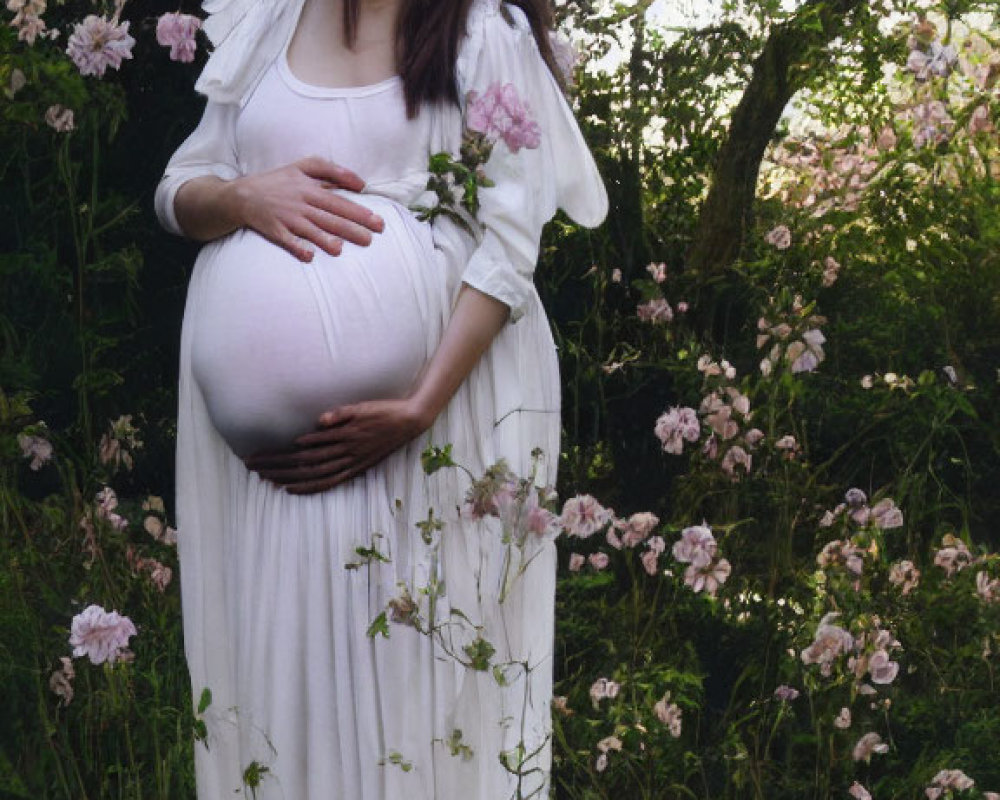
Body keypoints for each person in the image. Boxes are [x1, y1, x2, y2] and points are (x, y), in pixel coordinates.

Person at [153, 0, 607, 796]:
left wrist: (420, 406)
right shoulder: (269, 21)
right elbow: (178, 188)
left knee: (404, 689)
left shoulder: (477, 29)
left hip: (420, 447)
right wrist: (243, 200)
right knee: (287, 696)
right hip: (272, 482)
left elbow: (510, 242)